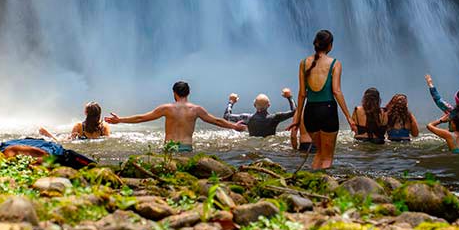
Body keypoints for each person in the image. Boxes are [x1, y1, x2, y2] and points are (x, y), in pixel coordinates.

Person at [105, 81, 246, 152]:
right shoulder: (196, 110)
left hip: (169, 148)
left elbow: (141, 118)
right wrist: (234, 126)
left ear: (174, 93)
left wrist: (120, 120)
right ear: (188, 93)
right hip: (186, 147)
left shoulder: (166, 109)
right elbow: (216, 121)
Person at [288, 30, 356, 169]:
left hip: (310, 112)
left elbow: (302, 94)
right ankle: (324, 185)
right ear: (330, 46)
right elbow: (336, 91)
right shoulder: (335, 63)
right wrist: (349, 117)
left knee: (319, 153)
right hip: (327, 111)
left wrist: (297, 119)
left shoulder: (303, 63)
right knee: (327, 156)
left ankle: (314, 178)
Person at [223, 88, 296, 137]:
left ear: (254, 105)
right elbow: (294, 112)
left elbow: (226, 116)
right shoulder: (275, 118)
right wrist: (289, 97)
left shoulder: (246, 118)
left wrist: (231, 102)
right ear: (269, 105)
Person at [39, 102, 111, 142]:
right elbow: (107, 139)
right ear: (99, 113)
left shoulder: (79, 126)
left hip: (77, 141)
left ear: (86, 113)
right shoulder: (104, 127)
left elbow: (70, 140)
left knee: (56, 139)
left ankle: (46, 133)